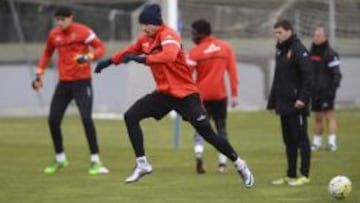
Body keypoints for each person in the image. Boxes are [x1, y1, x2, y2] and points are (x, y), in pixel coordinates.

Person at [94, 4, 254, 186]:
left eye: (146, 24)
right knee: (130, 116)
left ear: (157, 23)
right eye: (141, 24)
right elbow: (129, 51)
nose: (143, 28)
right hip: (164, 94)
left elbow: (169, 56)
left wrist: (142, 59)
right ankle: (142, 164)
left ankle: (240, 164)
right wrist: (108, 62)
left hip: (186, 95)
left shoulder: (169, 35)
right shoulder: (146, 39)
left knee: (208, 134)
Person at [32, 7, 109, 175]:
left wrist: (88, 57)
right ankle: (60, 158)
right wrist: (39, 74)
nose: (60, 23)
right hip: (64, 84)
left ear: (70, 18)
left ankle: (95, 161)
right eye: (58, 20)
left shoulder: (83, 31)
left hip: (82, 83)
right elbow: (46, 54)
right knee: (53, 120)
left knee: (86, 119)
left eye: (63, 19)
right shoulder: (54, 35)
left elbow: (101, 48)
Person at [187, 19, 239, 174]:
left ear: (200, 33)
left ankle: (199, 154)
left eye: (193, 32)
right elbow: (232, 72)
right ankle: (222, 164)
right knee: (221, 130)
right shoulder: (225, 48)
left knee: (200, 128)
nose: (192, 35)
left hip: (201, 97)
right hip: (220, 96)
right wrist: (234, 94)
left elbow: (186, 75)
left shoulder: (195, 52)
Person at [267, 20, 313, 186]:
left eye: (280, 32)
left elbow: (308, 77)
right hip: (284, 105)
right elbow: (278, 79)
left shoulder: (298, 49)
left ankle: (304, 175)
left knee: (302, 140)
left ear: (289, 31)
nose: (277, 36)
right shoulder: (280, 51)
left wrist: (302, 98)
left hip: (297, 105)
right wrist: (272, 102)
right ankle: (291, 174)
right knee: (289, 141)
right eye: (275, 33)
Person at [309, 26, 342, 152]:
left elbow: (336, 75)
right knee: (317, 117)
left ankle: (332, 143)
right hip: (315, 92)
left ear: (324, 37)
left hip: (327, 92)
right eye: (314, 35)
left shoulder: (331, 54)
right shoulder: (311, 53)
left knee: (329, 116)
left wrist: (331, 90)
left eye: (318, 35)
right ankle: (316, 144)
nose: (315, 37)